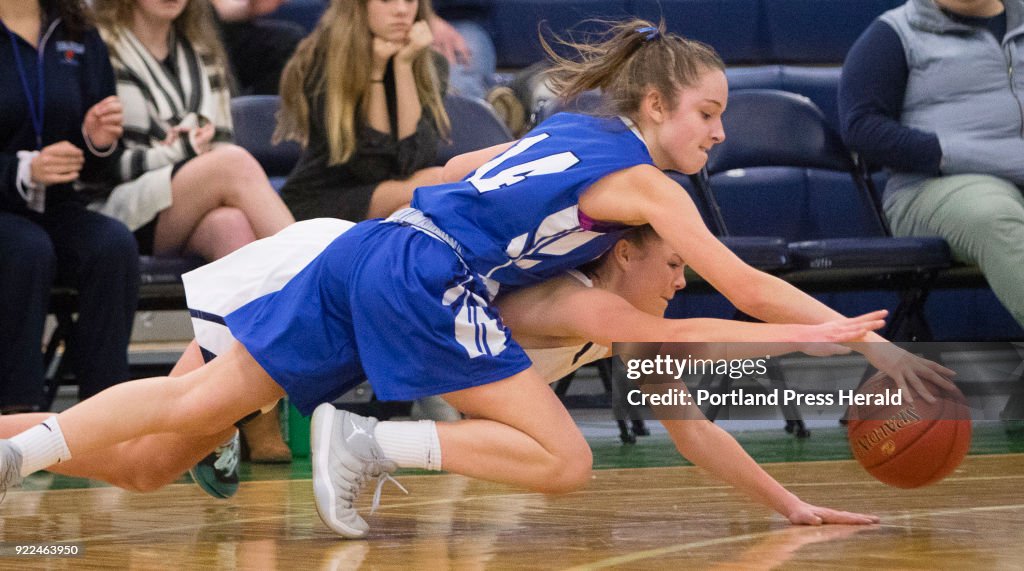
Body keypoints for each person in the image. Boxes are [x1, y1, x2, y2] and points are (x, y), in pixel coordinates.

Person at [0, 19, 952, 539]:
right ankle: (365, 441)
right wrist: (850, 336)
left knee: (161, 442)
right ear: (656, 103)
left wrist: (788, 502)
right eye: (708, 113)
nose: (720, 136)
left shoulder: (569, 130)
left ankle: (24, 445)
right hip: (403, 269)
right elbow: (740, 292)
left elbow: (460, 175)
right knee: (564, 460)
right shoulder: (639, 201)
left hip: (372, 249)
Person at [0, 222, 889, 506]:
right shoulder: (567, 298)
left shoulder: (619, 320)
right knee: (177, 419)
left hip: (354, 299)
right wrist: (826, 335)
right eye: (673, 263)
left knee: (156, 462)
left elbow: (688, 424)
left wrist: (790, 502)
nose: (684, 277)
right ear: (621, 254)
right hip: (322, 272)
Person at [90, 0, 297, 462]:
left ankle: (232, 417)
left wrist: (182, 147)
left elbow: (220, 135)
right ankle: (317, 271)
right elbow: (104, 159)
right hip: (121, 208)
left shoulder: (201, 46)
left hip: (193, 197)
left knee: (233, 230)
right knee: (235, 165)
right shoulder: (101, 44)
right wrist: (182, 147)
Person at [839, 0, 1024, 329]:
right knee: (993, 215)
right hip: (935, 187)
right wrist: (953, 153)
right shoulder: (894, 33)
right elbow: (862, 128)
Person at [0, 0, 139, 411]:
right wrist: (22, 170)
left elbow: (101, 162)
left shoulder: (78, 30)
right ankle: (18, 414)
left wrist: (96, 140)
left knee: (111, 245)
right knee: (26, 248)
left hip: (56, 204)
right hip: (9, 209)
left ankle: (105, 412)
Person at [275, 0, 450, 222]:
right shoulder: (322, 61)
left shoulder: (430, 64)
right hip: (322, 199)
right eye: (386, 0)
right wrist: (374, 75)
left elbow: (413, 162)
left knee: (412, 209)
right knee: (434, 183)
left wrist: (404, 66)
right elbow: (373, 168)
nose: (401, 10)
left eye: (409, 0)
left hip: (392, 193)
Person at [210, 0, 305, 96]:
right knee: (287, 40)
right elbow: (210, 10)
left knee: (289, 41)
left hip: (231, 28)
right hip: (207, 31)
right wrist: (247, 7)